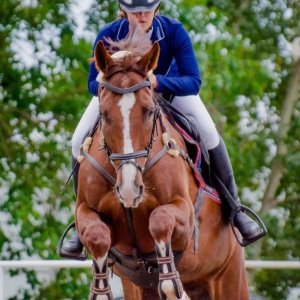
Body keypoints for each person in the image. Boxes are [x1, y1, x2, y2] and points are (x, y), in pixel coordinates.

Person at [59, 0, 261, 258]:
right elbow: (91, 84)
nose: (141, 15)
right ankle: (80, 222)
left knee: (209, 132)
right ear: (124, 11)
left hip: (168, 92)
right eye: (134, 11)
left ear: (157, 8)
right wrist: (111, 83)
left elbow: (193, 81)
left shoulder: (174, 31)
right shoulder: (108, 33)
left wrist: (157, 81)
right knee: (77, 141)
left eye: (147, 10)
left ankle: (235, 210)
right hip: (122, 97)